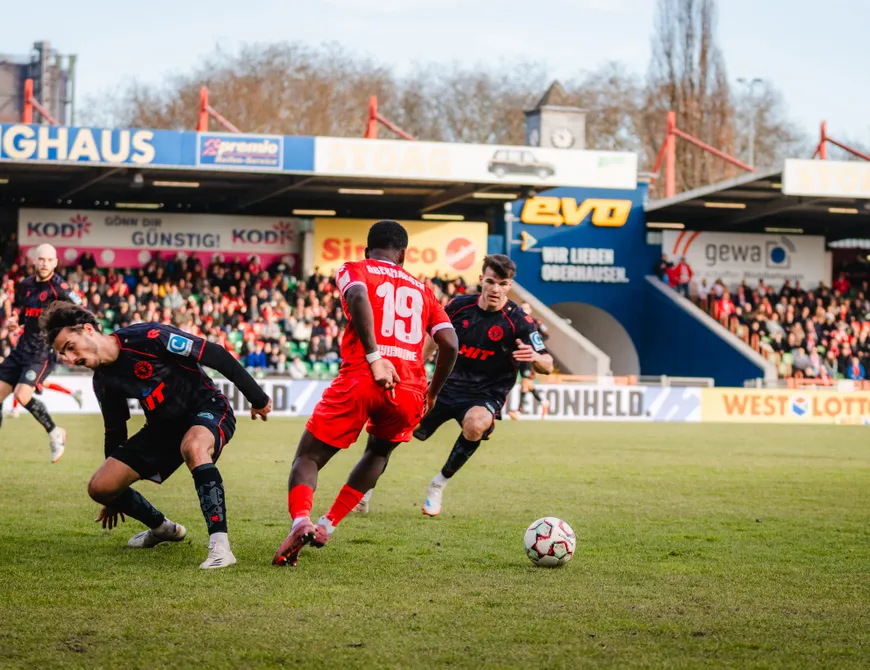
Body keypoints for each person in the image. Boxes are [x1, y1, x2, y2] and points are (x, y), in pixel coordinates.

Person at [272, 220, 458, 567]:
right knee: (378, 454)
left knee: (309, 457)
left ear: (366, 249)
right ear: (403, 254)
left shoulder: (353, 268)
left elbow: (357, 295)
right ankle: (327, 526)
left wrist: (375, 358)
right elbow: (450, 342)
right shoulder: (422, 289)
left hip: (362, 375)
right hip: (409, 388)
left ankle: (302, 521)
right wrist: (432, 393)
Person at [39, 301, 272, 569]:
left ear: (88, 329)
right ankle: (162, 528)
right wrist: (116, 495)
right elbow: (115, 433)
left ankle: (221, 547)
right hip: (163, 429)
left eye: (69, 347)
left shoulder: (148, 337)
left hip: (207, 408)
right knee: (100, 487)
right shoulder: (103, 381)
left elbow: (215, 354)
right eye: (63, 355)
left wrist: (257, 397)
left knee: (194, 447)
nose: (70, 359)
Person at [414, 254, 553, 517]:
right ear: (481, 280)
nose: (495, 289)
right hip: (445, 386)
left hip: (485, 393)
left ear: (509, 285)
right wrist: (417, 369)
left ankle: (438, 484)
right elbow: (432, 338)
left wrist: (535, 357)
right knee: (399, 425)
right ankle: (366, 486)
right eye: (491, 282)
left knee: (476, 425)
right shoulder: (458, 306)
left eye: (502, 283)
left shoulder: (520, 321)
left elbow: (547, 362)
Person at [0, 243, 80, 460]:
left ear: (55, 263)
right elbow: (19, 310)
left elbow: (82, 312)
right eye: (41, 259)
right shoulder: (24, 285)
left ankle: (55, 433)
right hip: (21, 349)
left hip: (43, 352)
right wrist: (14, 321)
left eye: (49, 260)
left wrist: (69, 342)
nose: (44, 264)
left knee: (22, 395)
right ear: (34, 261)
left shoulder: (61, 289)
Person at [507, 301, 550, 419]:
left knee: (524, 384)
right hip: (517, 355)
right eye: (523, 308)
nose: (525, 310)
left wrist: (535, 343)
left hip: (529, 356)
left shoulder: (535, 323)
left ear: (530, 310)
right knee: (527, 384)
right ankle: (543, 401)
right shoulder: (516, 322)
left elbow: (546, 335)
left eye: (527, 308)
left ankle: (519, 411)